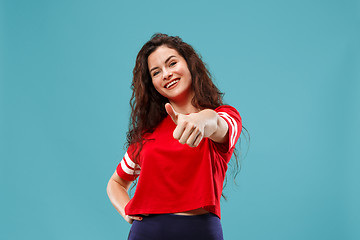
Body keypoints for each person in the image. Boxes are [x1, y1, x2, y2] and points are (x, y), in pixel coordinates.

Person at [107, 33, 243, 240]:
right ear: (151, 83)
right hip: (146, 233)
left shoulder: (224, 116)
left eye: (172, 63)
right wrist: (127, 210)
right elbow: (116, 183)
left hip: (200, 233)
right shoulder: (147, 136)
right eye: (156, 72)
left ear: (189, 64)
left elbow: (217, 123)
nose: (166, 74)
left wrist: (200, 120)